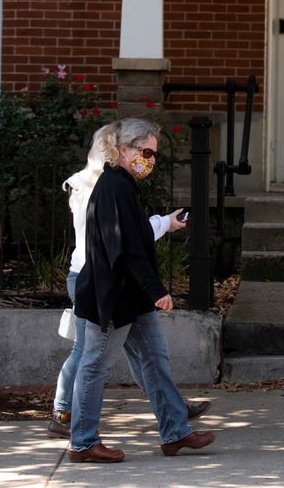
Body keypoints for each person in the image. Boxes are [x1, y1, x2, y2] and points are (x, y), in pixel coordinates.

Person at [66, 118, 216, 463]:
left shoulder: (123, 186)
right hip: (113, 296)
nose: (149, 159)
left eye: (154, 154)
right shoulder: (114, 186)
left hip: (130, 296)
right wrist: (156, 289)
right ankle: (83, 442)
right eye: (144, 151)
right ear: (123, 149)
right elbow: (126, 246)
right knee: (94, 365)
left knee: (153, 360)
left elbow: (136, 237)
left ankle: (175, 433)